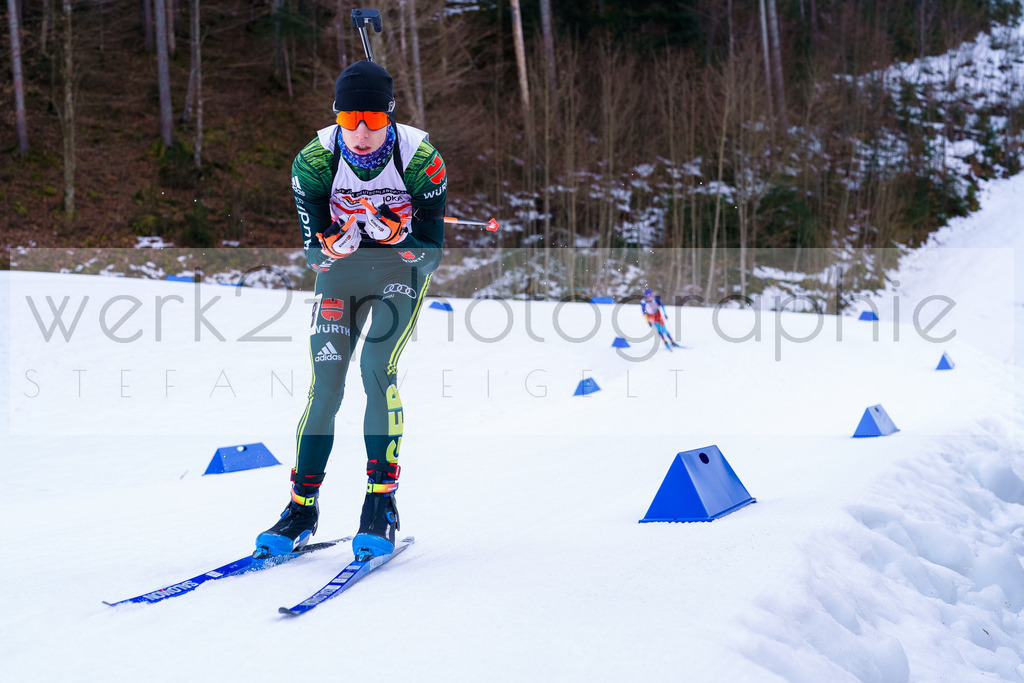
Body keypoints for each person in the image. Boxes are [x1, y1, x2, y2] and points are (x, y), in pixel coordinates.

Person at [255, 59, 446, 560]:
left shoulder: (421, 157)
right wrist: (331, 250)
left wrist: (399, 236)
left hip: (397, 274)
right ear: (336, 117)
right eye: (349, 121)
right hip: (341, 274)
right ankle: (301, 507)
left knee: (375, 368)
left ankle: (381, 503)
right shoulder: (313, 162)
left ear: (390, 117)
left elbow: (430, 255)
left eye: (374, 122)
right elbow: (313, 254)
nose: (361, 134)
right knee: (326, 386)